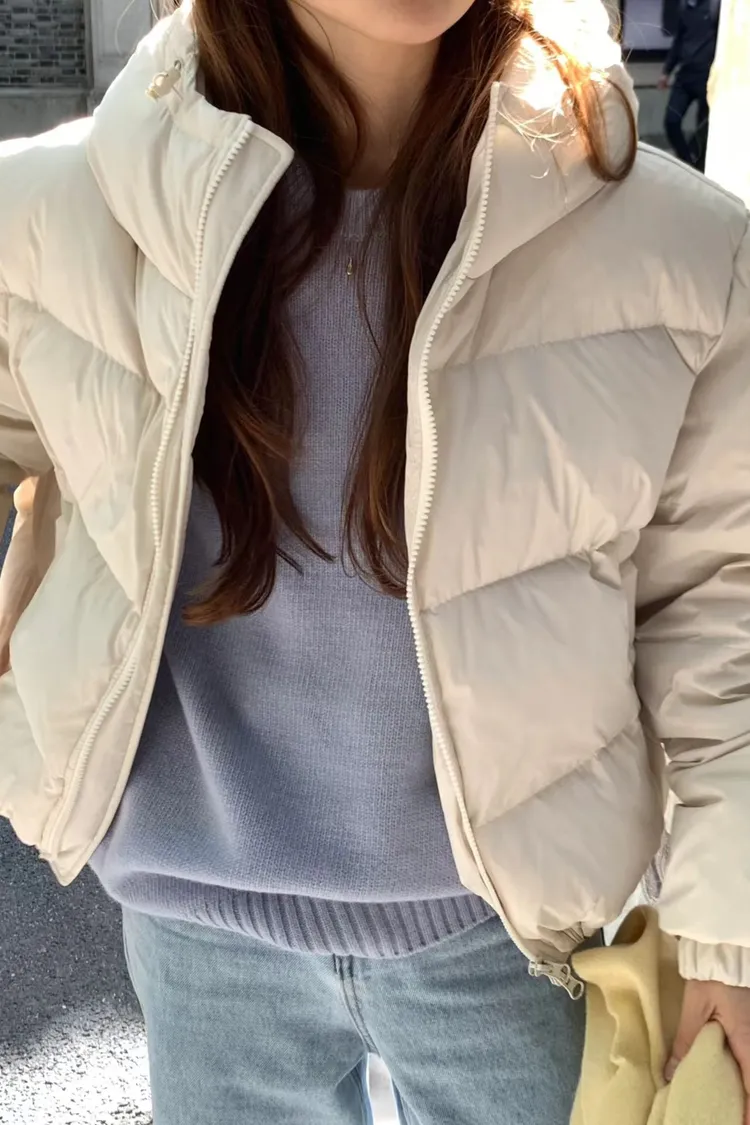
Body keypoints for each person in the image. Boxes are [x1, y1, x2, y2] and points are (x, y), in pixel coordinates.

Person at [0, 1, 749, 1122]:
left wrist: (729, 932)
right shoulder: (60, 213)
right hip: (197, 928)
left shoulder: (677, 251)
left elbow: (723, 608)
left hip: (508, 936)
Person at [658, 0, 719, 170]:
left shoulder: (715, 7)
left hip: (707, 77)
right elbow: (678, 41)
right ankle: (686, 161)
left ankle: (698, 165)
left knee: (703, 127)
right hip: (685, 76)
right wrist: (666, 71)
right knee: (671, 121)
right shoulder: (685, 6)